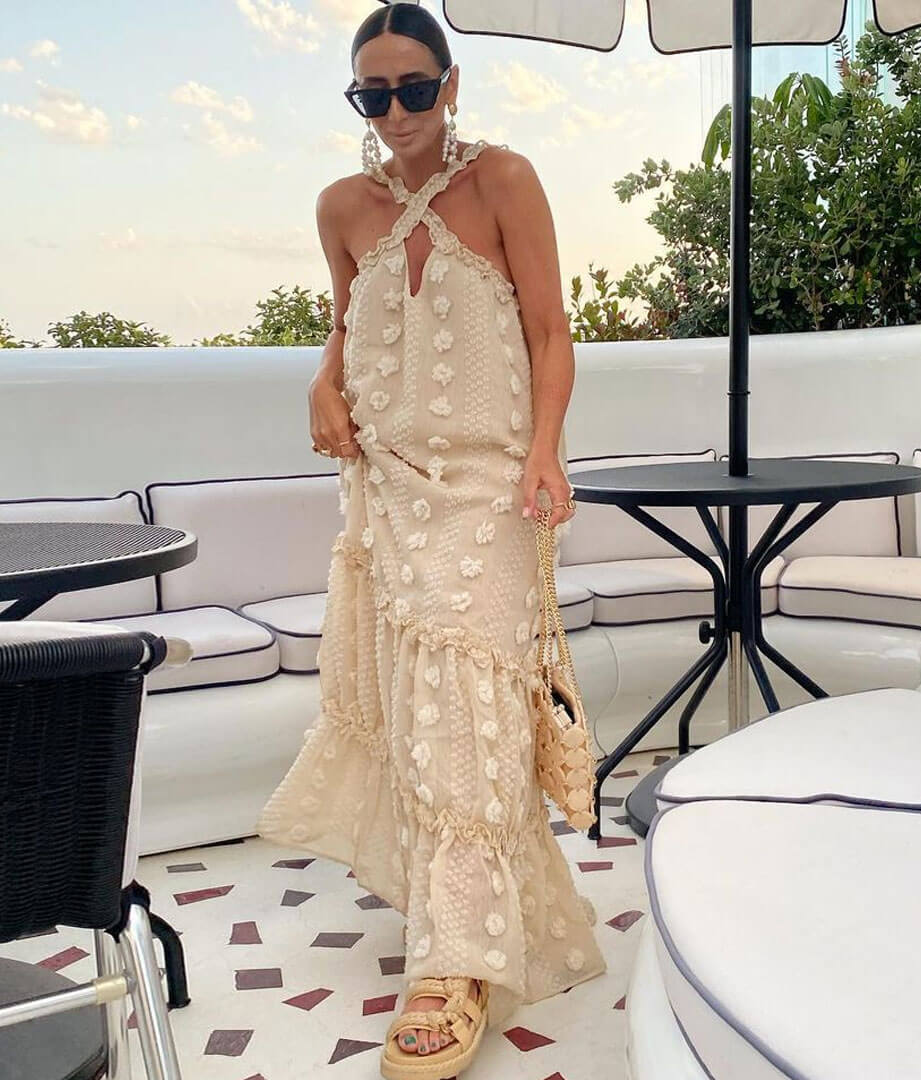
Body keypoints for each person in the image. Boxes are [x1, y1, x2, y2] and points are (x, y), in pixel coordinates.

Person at [257, 4, 605, 1077]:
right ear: (357, 102)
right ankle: (464, 923)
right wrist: (322, 376)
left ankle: (452, 966)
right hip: (389, 488)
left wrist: (545, 452)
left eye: (415, 88)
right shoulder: (340, 208)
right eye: (374, 94)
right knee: (423, 710)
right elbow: (346, 316)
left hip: (490, 486)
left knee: (468, 702)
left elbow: (550, 328)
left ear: (451, 86)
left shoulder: (505, 180)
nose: (397, 110)